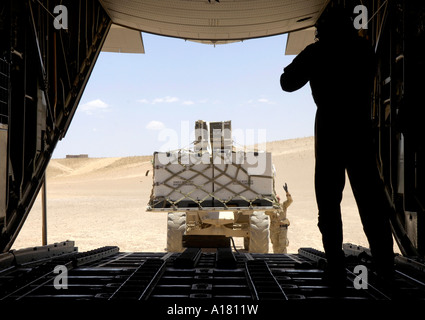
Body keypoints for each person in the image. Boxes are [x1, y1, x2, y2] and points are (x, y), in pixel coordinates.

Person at [280, 6, 395, 288]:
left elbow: (287, 83)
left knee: (329, 203)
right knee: (371, 202)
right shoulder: (363, 50)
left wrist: (313, 55)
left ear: (324, 31)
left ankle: (334, 267)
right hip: (358, 127)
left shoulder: (317, 52)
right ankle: (386, 270)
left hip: (330, 128)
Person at [267, 183, 292, 253]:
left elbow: (290, 201)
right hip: (274, 229)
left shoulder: (283, 205)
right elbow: (266, 212)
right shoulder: (271, 208)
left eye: (278, 199)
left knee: (282, 246)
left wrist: (287, 192)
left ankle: (284, 260)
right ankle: (276, 260)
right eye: (276, 199)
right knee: (275, 246)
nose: (277, 200)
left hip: (282, 229)